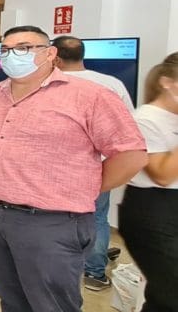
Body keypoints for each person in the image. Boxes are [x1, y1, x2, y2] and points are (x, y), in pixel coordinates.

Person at [0, 26, 146, 312]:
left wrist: (86, 187)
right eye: (5, 50)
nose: (12, 56)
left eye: (23, 47)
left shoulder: (89, 96)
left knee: (55, 311)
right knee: (12, 300)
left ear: (50, 53)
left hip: (50, 222)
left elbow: (131, 155)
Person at [52, 35, 135, 292]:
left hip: (53, 167)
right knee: (97, 218)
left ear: (54, 57)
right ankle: (94, 273)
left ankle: (54, 270)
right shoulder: (112, 84)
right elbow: (129, 130)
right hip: (98, 168)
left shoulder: (48, 85)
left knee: (50, 220)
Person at [118, 54, 178, 312]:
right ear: (167, 82)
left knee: (165, 295)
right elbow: (162, 175)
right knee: (171, 296)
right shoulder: (145, 119)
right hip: (153, 212)